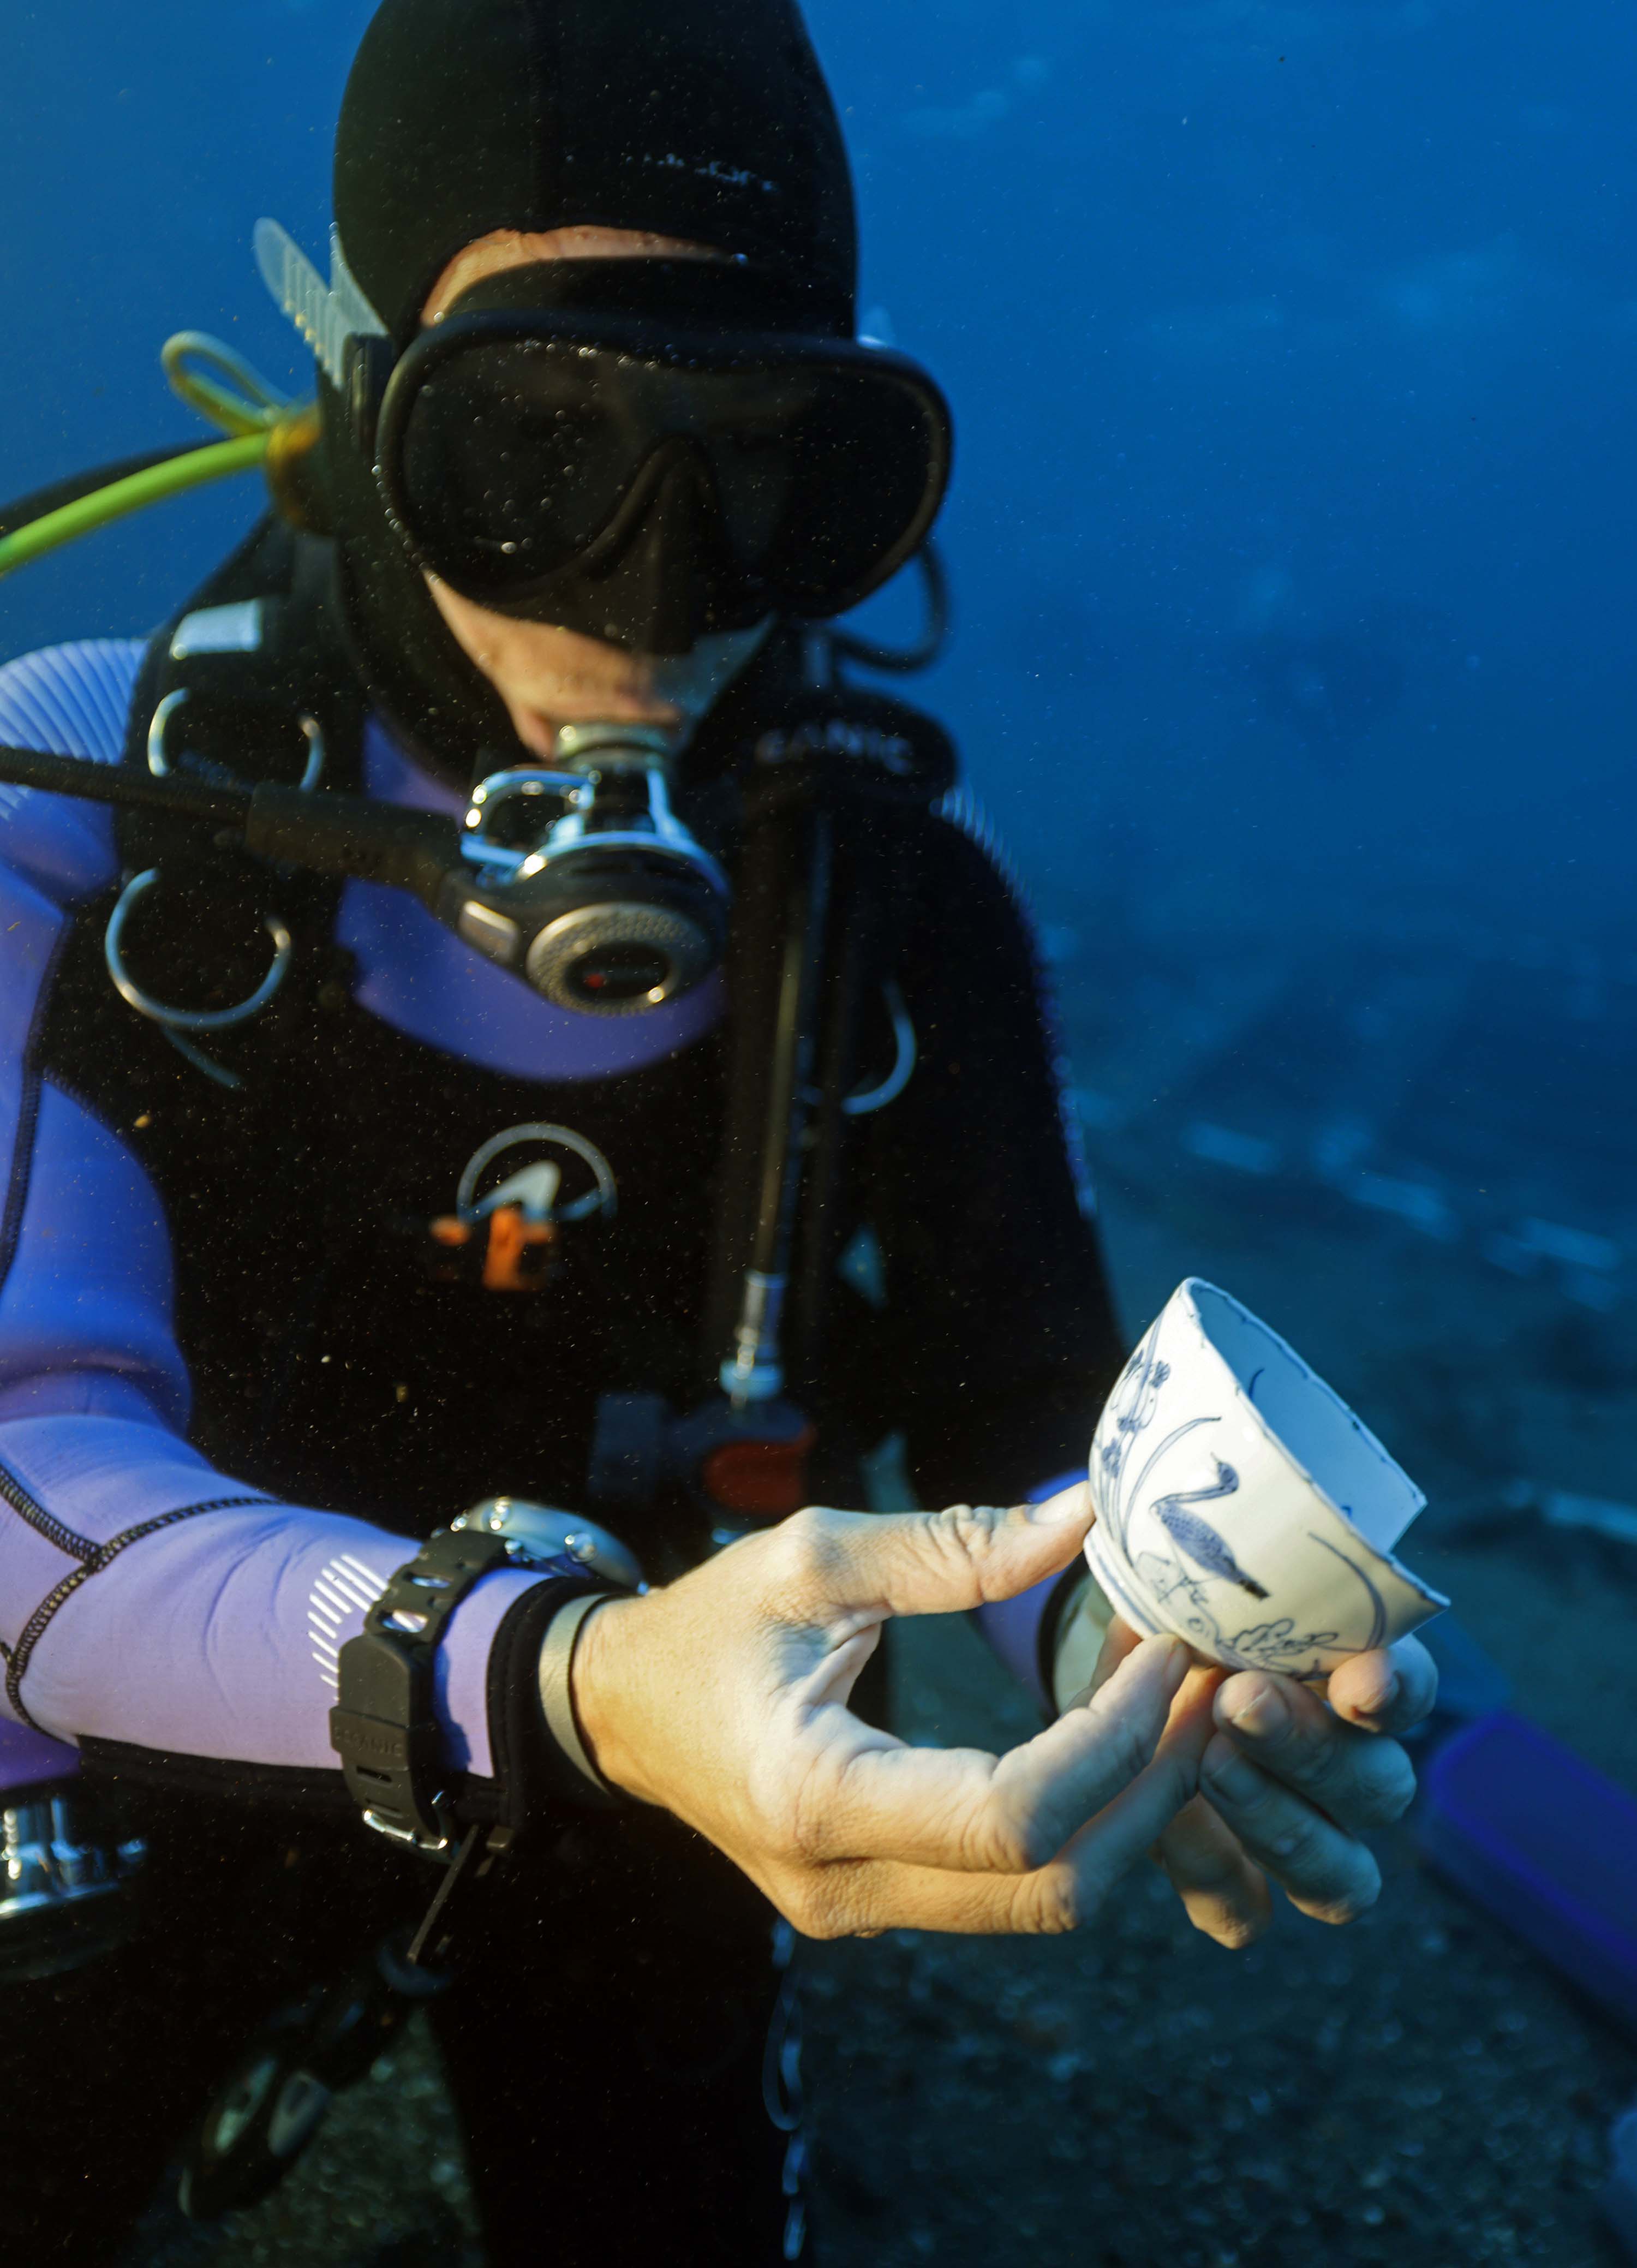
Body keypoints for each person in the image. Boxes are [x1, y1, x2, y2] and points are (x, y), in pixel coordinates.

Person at [0, 1, 1435, 2260]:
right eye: (538, 454)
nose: (649, 597)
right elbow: (18, 1477)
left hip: (671, 1763)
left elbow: (1021, 1411)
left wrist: (1165, 1653)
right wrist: (548, 1670)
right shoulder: (81, 808)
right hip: (144, 1767)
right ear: (368, 414)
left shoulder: (893, 907)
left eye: (772, 468)